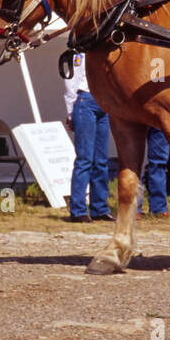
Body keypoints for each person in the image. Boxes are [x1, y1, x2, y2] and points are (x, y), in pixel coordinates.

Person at [63, 52, 114, 223]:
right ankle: (78, 210)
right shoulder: (79, 53)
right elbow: (71, 82)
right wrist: (71, 112)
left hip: (104, 101)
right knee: (85, 158)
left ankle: (100, 208)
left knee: (101, 160)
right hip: (85, 99)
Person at [139, 127, 170, 218]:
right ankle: (133, 208)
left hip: (159, 118)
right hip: (136, 115)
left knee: (159, 162)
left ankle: (158, 208)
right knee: (133, 164)